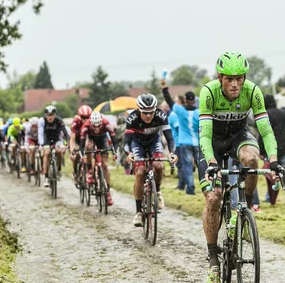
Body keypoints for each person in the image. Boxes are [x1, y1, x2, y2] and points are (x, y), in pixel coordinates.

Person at [198, 51, 284, 283]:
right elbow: (204, 135)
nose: (235, 84)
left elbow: (265, 130)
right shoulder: (209, 92)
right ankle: (213, 263)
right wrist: (212, 162)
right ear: (220, 77)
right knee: (213, 198)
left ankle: (243, 211)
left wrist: (274, 160)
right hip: (212, 143)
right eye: (229, 79)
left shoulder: (253, 91)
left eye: (240, 78)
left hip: (238, 136)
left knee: (251, 158)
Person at [124, 94, 178, 226]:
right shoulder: (132, 118)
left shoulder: (161, 116)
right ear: (139, 110)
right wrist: (129, 153)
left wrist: (171, 153)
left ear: (155, 110)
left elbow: (170, 138)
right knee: (140, 171)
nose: (148, 116)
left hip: (154, 142)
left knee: (159, 165)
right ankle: (138, 212)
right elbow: (127, 142)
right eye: (144, 113)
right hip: (137, 144)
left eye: (151, 112)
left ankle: (157, 191)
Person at [161, 82, 200, 195]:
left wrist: (164, 88)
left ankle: (190, 189)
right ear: (194, 101)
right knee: (201, 166)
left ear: (186, 100)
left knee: (187, 167)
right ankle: (206, 187)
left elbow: (169, 101)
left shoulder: (180, 110)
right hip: (197, 143)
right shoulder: (199, 113)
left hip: (184, 143)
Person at [257, 94, 285, 206]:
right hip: (284, 148)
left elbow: (263, 135)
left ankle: (269, 198)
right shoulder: (283, 113)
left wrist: (261, 151)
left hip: (271, 150)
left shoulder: (266, 115)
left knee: (270, 175)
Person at [80, 111, 119, 205]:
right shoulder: (86, 126)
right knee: (88, 147)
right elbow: (82, 145)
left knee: (105, 165)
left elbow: (115, 141)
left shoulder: (106, 123)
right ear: (91, 123)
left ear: (101, 123)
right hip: (91, 138)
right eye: (94, 126)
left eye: (99, 126)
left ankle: (108, 192)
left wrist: (114, 152)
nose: (97, 128)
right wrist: (84, 156)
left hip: (102, 139)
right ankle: (90, 170)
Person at [38, 105, 69, 187]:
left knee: (59, 151)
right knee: (47, 153)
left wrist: (67, 142)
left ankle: (58, 169)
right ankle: (46, 176)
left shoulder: (59, 120)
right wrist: (41, 144)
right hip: (46, 139)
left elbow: (65, 132)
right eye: (48, 115)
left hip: (57, 139)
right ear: (45, 115)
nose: (50, 117)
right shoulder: (42, 121)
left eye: (52, 115)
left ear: (55, 115)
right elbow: (40, 134)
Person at [70, 105, 92, 185]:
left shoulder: (92, 122)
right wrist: (72, 151)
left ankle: (90, 171)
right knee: (76, 155)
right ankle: (75, 171)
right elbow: (72, 139)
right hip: (77, 141)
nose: (86, 119)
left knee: (90, 150)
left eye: (88, 117)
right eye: (83, 117)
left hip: (87, 140)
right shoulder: (76, 122)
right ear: (80, 117)